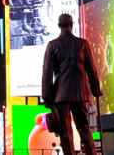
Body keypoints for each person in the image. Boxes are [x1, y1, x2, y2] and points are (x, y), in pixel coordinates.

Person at [41, 13, 101, 155]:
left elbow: (47, 73)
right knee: (84, 127)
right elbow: (92, 69)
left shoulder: (53, 45)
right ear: (71, 25)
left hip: (61, 96)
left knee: (65, 132)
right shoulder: (83, 44)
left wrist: (47, 97)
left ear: (59, 26)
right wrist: (95, 89)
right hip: (80, 94)